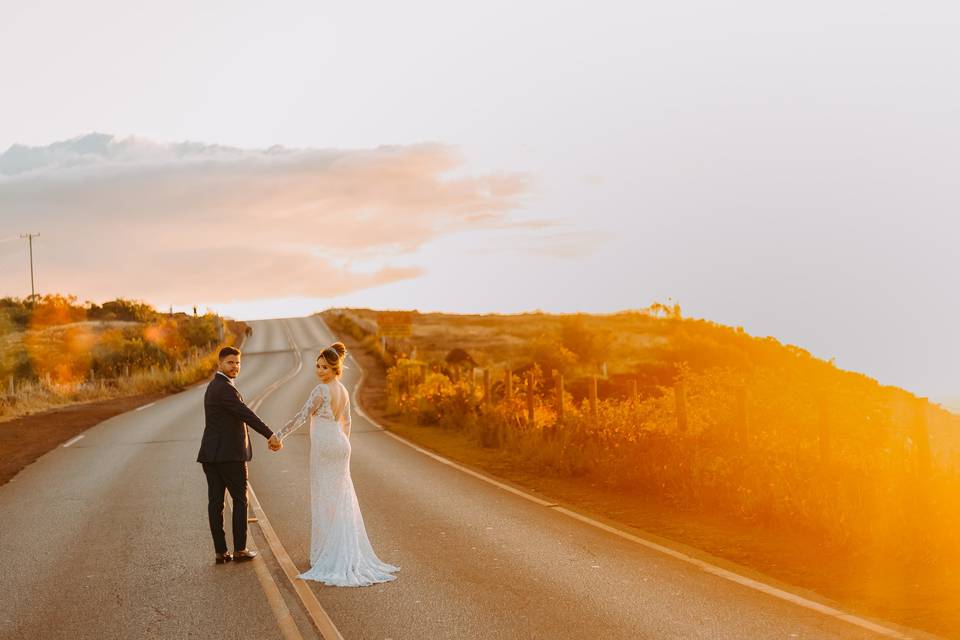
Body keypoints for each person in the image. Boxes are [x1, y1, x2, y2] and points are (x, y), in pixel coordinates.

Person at [273, 342, 399, 586]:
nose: (319, 371)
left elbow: (301, 417)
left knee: (326, 499)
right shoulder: (342, 390)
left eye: (325, 367)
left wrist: (278, 436)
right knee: (340, 498)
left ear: (335, 368)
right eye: (318, 366)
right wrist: (341, 445)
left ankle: (328, 554)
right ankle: (340, 549)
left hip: (326, 447)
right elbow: (348, 422)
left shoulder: (321, 391)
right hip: (340, 445)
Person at [197, 346, 282, 564]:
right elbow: (246, 414)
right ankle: (240, 549)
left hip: (211, 455)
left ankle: (221, 551)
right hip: (230, 456)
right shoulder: (225, 388)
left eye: (237, 363)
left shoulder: (214, 386)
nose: (235, 367)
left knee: (215, 503)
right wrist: (270, 434)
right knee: (239, 500)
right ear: (220, 364)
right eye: (230, 363)